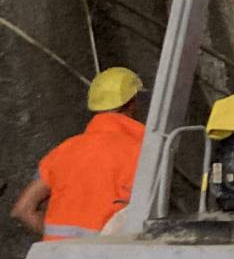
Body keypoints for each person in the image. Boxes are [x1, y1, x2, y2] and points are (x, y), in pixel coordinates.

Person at [9, 67, 146, 239]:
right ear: (133, 103)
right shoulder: (143, 151)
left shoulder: (62, 151)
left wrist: (64, 240)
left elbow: (22, 210)